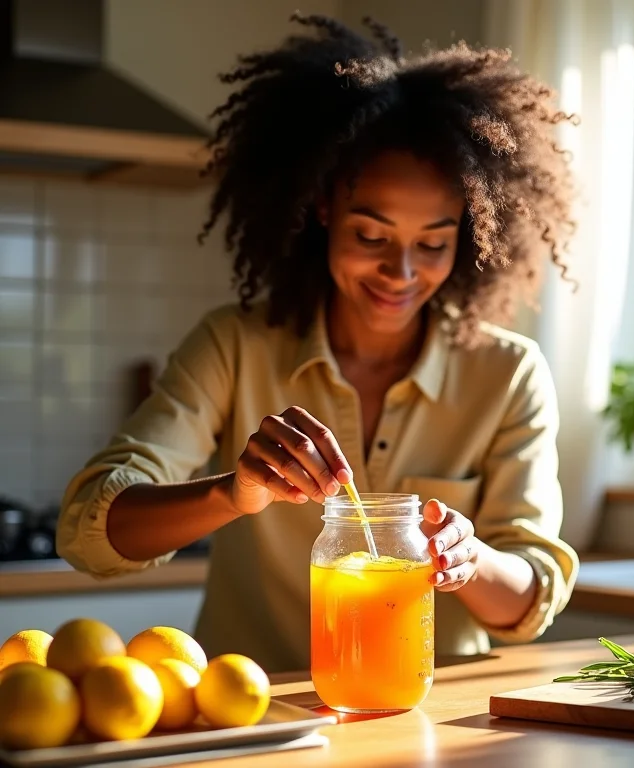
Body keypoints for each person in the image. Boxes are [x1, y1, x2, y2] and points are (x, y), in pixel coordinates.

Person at [57, 13, 580, 673]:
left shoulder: (507, 372)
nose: (401, 272)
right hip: (254, 710)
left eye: (433, 243)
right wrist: (233, 494)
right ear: (324, 207)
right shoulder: (234, 345)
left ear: (469, 234)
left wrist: (469, 559)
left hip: (428, 716)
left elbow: (529, 602)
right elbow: (89, 529)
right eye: (371, 235)